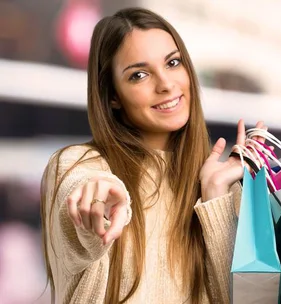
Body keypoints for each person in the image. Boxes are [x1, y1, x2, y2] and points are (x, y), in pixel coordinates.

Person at [40, 7, 267, 304]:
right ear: (112, 95)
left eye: (173, 63)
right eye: (139, 75)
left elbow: (240, 300)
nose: (166, 84)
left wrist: (214, 196)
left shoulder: (219, 186)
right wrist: (102, 195)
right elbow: (84, 196)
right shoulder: (77, 165)